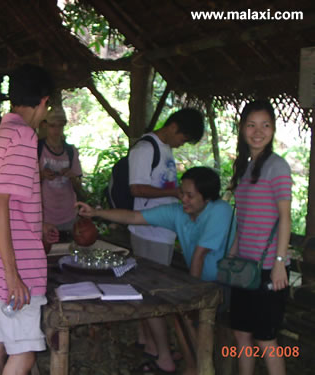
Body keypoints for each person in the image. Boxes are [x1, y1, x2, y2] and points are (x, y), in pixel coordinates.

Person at [77, 166, 233, 374]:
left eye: (190, 196)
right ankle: (194, 365)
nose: (183, 199)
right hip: (199, 282)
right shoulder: (179, 212)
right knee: (179, 313)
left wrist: (193, 297)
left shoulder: (220, 210)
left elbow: (200, 254)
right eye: (181, 193)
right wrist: (96, 212)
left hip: (223, 284)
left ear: (207, 198)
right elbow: (134, 217)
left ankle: (201, 367)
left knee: (185, 313)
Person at [0, 64, 59, 375]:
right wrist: (13, 275)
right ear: (44, 101)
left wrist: (38, 225)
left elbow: (3, 200)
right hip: (16, 265)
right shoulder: (23, 136)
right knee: (25, 353)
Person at [128, 108, 204, 372]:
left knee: (148, 291)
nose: (182, 143)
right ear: (174, 128)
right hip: (147, 230)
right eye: (183, 138)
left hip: (161, 230)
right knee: (155, 296)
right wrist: (173, 192)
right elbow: (136, 188)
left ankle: (148, 342)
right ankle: (163, 356)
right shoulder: (145, 149)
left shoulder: (165, 148)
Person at [228, 100, 291, 375]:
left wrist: (279, 262)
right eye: (251, 125)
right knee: (241, 335)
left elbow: (285, 217)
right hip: (245, 266)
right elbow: (245, 218)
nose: (258, 131)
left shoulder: (277, 166)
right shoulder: (245, 166)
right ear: (242, 129)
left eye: (265, 125)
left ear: (273, 129)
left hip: (268, 269)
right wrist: (233, 250)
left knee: (266, 339)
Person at [39, 105, 83, 247]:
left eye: (60, 126)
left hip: (68, 215)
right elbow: (26, 183)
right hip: (44, 216)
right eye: (52, 126)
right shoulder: (36, 149)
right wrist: (42, 175)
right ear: (45, 126)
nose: (56, 130)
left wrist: (71, 176)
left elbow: (79, 187)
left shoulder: (71, 151)